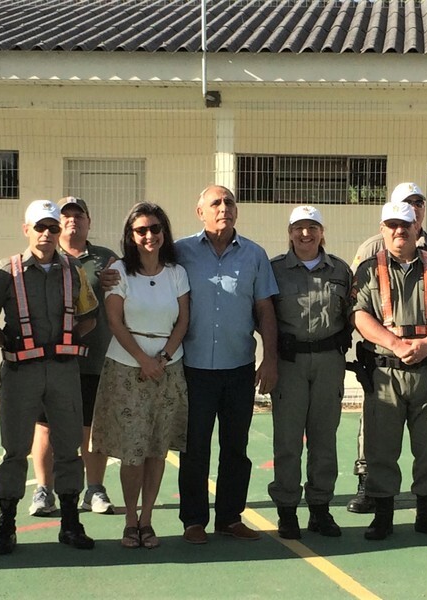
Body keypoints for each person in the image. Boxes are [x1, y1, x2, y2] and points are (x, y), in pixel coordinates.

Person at [0, 200, 100, 554]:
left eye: (53, 227)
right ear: (26, 229)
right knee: (14, 450)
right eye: (40, 227)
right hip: (20, 373)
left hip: (63, 372)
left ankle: (70, 523)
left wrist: (70, 340)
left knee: (69, 448)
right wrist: (6, 343)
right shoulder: (4, 271)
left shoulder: (74, 270)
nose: (46, 234)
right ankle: (6, 525)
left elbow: (90, 316)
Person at [352, 201, 427, 541]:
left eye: (406, 224)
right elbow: (359, 314)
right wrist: (396, 344)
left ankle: (426, 515)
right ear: (382, 229)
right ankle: (383, 516)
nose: (399, 230)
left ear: (418, 228)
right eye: (392, 225)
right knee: (381, 447)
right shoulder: (368, 270)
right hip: (385, 372)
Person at [175, 185, 280, 544]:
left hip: (239, 368)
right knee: (194, 448)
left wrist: (269, 359)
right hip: (194, 368)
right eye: (216, 203)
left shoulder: (254, 254)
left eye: (230, 202)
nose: (224, 208)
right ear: (200, 212)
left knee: (236, 448)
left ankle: (230, 518)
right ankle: (193, 521)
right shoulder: (180, 252)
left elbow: (265, 309)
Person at [91, 202, 189, 550]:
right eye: (141, 230)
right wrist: (143, 360)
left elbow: (183, 320)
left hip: (167, 369)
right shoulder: (118, 271)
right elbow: (115, 322)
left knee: (157, 450)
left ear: (164, 232)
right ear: (130, 236)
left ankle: (147, 520)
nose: (149, 235)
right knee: (132, 451)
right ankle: (130, 520)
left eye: (155, 228)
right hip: (127, 369)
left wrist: (162, 358)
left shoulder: (177, 272)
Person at [27, 197, 120, 518]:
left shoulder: (106, 259)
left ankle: (94, 489)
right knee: (45, 426)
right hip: (51, 360)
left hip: (94, 359)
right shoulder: (45, 255)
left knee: (92, 428)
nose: (72, 221)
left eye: (78, 215)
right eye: (65, 216)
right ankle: (44, 490)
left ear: (88, 221)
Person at [268, 206, 353, 540]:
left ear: (322, 232)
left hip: (329, 361)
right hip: (290, 363)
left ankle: (320, 508)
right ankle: (287, 510)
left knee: (324, 438)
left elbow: (352, 312)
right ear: (290, 232)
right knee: (288, 440)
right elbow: (261, 315)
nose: (306, 234)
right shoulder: (274, 270)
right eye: (299, 228)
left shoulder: (340, 270)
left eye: (312, 227)